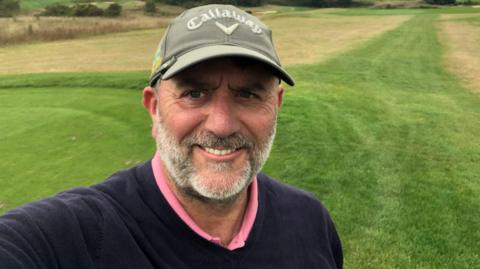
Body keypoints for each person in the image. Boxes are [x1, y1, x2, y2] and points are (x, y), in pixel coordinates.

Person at [0, 4, 342, 268]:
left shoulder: (311, 222)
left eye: (249, 95)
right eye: (194, 94)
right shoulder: (74, 236)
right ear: (154, 108)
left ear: (276, 105)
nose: (222, 126)